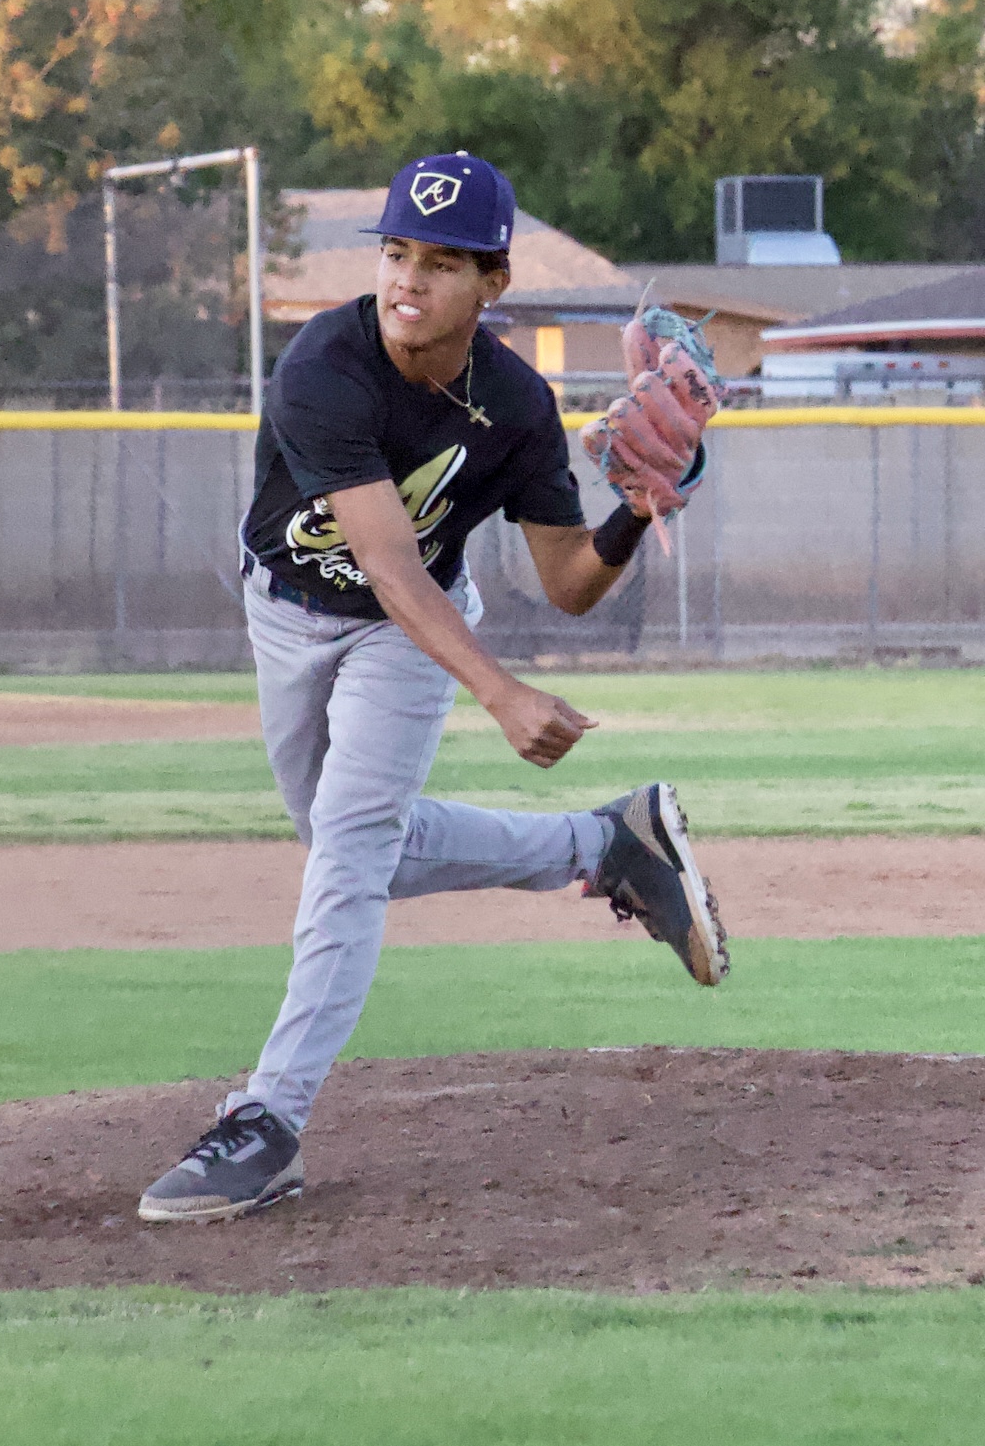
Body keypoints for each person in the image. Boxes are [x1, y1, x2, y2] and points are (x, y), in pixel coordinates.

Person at [138, 151, 728, 1224]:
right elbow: (383, 563)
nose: (409, 278)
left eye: (443, 262)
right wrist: (503, 696)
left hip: (410, 642)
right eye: (396, 251)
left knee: (352, 850)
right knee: (347, 844)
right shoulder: (325, 363)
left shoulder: (514, 403)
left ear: (492, 282)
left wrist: (636, 510)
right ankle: (607, 845)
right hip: (290, 611)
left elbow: (567, 583)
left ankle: (268, 1121)